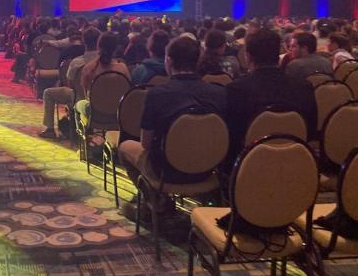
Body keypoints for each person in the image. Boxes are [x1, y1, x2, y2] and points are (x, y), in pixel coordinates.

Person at [119, 36, 227, 193]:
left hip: (166, 172)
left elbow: (146, 143)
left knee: (124, 147)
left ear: (168, 61)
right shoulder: (219, 93)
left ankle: (156, 202)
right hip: (208, 170)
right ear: (197, 61)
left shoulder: (157, 94)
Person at [225, 28, 317, 168]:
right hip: (295, 163)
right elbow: (310, 133)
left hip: (249, 166)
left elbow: (231, 139)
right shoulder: (304, 87)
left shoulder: (236, 90)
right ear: (278, 54)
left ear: (248, 56)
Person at [38, 27, 100, 139]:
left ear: (84, 42)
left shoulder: (76, 63)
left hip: (80, 100)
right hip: (104, 102)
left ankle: (50, 129)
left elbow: (70, 85)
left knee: (48, 93)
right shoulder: (114, 64)